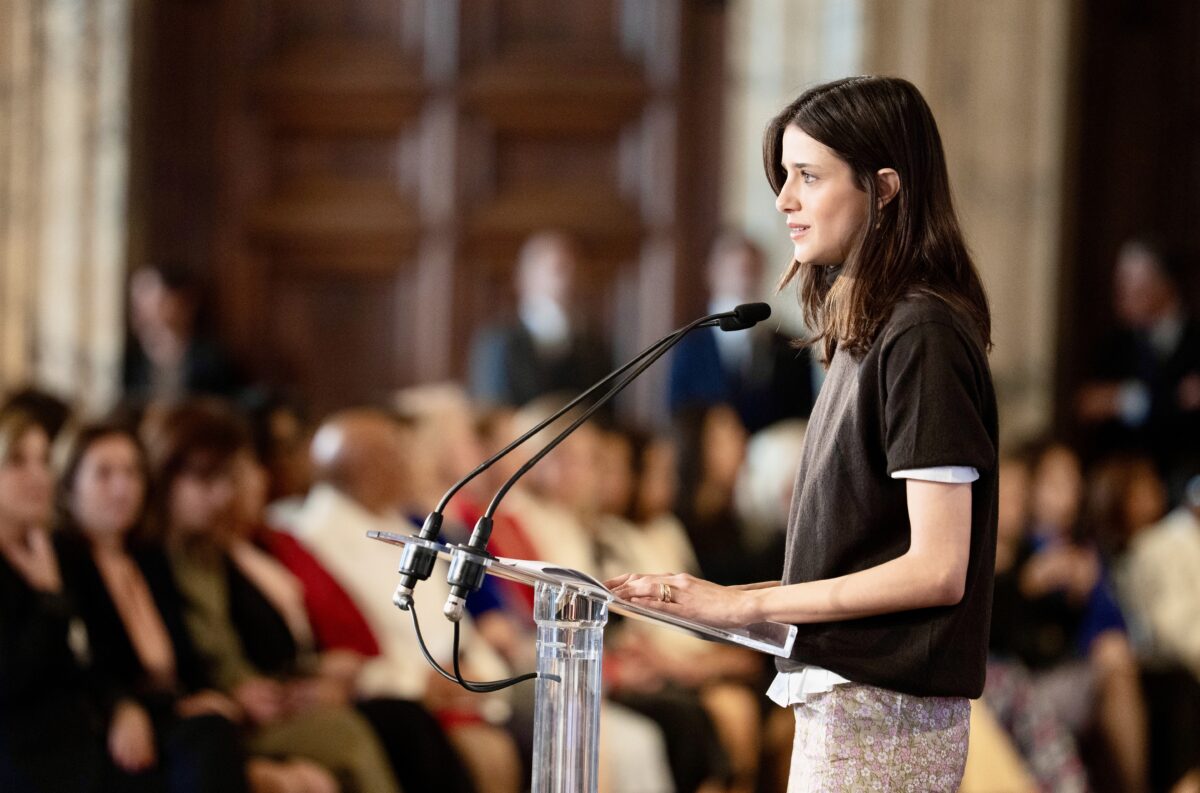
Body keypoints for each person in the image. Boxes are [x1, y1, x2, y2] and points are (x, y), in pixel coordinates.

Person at [609, 75, 999, 792]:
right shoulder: (871, 329)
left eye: (808, 176)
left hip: (887, 714)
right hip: (851, 701)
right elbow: (851, 555)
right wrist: (711, 599)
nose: (784, 200)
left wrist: (744, 603)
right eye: (783, 176)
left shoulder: (923, 332)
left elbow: (937, 567)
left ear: (884, 188)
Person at [667, 232, 815, 432]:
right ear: (712, 273)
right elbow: (678, 414)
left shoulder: (791, 347)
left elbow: (801, 420)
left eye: (751, 270)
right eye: (736, 269)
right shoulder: (688, 344)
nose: (744, 279)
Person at [467, 231, 611, 408]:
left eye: (573, 269)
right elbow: (489, 410)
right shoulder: (497, 341)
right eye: (558, 269)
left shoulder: (594, 344)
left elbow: (605, 409)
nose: (568, 279)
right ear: (526, 276)